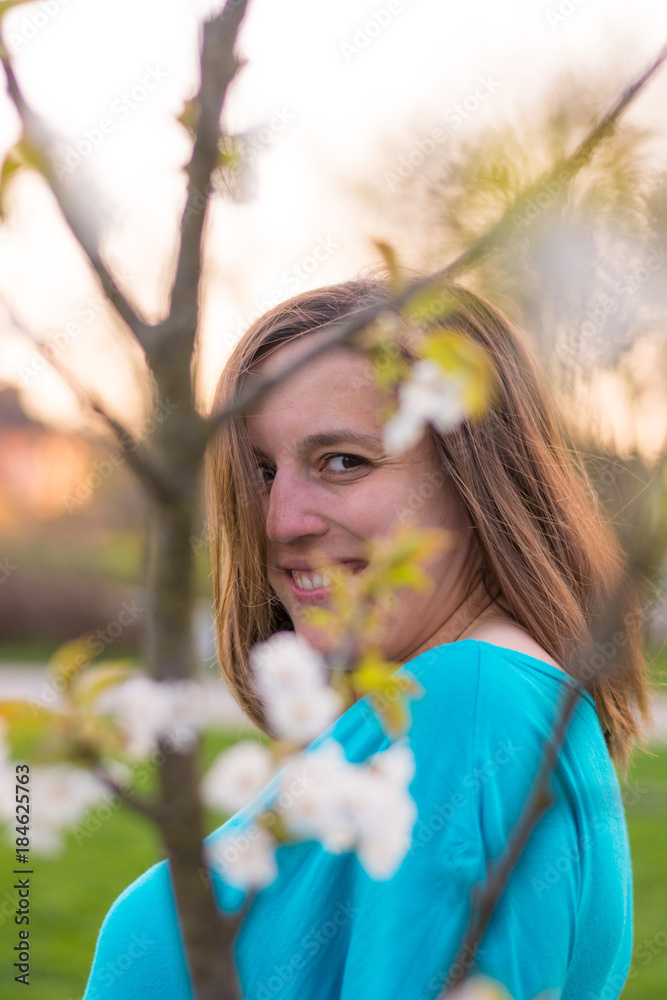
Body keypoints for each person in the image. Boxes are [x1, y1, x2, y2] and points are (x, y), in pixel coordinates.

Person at [82, 277, 651, 1000]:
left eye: (343, 461)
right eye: (261, 471)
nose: (279, 521)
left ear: (475, 474)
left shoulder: (470, 706)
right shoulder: (453, 709)